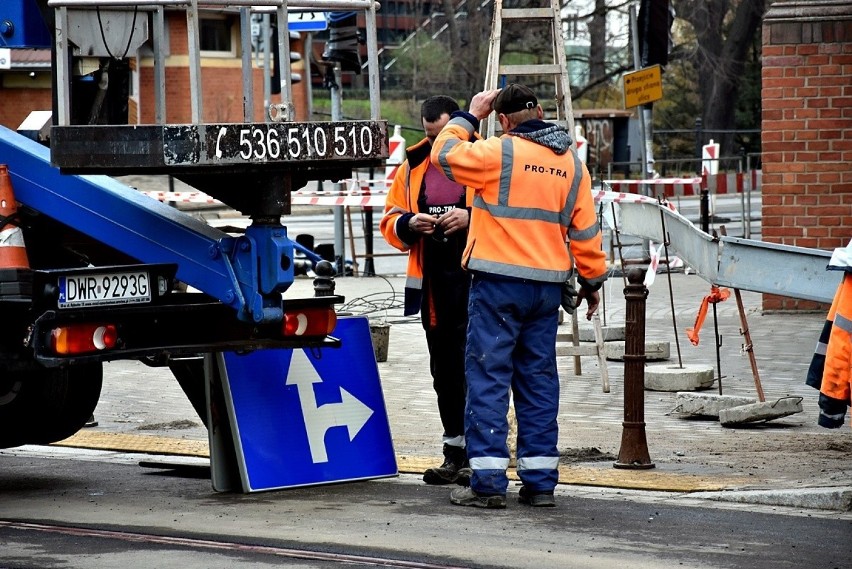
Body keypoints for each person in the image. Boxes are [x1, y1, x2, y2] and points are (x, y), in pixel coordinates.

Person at [430, 84, 608, 509]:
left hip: (498, 286)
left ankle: (488, 483)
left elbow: (443, 154)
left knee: (490, 377)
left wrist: (470, 114)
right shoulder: (572, 164)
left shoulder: (499, 152)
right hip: (546, 290)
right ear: (542, 112)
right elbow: (585, 230)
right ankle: (540, 482)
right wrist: (592, 281)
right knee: (538, 380)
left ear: (504, 121)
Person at [380, 96, 474, 486]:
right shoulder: (412, 166)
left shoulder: (481, 157)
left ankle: (484, 456)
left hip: (478, 283)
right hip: (435, 288)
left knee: (481, 370)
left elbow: (506, 212)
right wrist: (407, 223)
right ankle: (455, 453)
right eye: (431, 136)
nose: (437, 147)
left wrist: (470, 217)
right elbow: (389, 219)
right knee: (446, 373)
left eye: (443, 136)